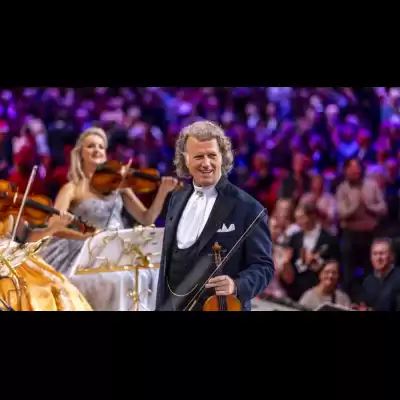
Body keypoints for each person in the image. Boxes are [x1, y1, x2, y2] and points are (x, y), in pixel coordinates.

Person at [155, 120, 274, 312]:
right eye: (198, 156)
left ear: (222, 157)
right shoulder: (176, 198)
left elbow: (264, 267)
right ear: (186, 160)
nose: (206, 163)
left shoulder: (248, 208)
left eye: (212, 155)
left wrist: (236, 285)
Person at [39, 127, 178, 277]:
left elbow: (146, 219)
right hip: (85, 250)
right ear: (80, 153)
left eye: (101, 147)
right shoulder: (71, 188)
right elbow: (54, 226)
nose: (97, 150)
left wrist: (163, 191)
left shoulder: (119, 185)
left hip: (117, 247)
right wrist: (85, 236)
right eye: (90, 146)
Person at [0, 212, 93, 311]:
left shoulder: (6, 208)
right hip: (4, 275)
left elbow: (27, 236)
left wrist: (52, 229)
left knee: (59, 290)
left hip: (17, 262)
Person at [358, 238, 400, 311]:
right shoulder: (367, 282)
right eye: (375, 254)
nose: (378, 258)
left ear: (392, 256)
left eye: (382, 253)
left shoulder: (398, 278)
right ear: (371, 258)